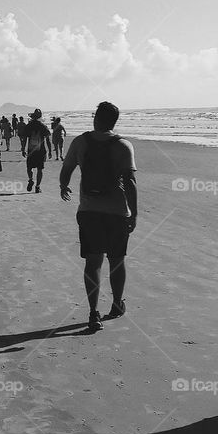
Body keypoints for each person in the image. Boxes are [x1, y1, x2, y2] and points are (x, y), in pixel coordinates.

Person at [59, 101, 138, 333]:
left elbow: (67, 169)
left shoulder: (81, 142)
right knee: (117, 260)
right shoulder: (124, 145)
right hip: (117, 212)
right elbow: (131, 182)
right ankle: (116, 304)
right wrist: (134, 213)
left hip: (89, 211)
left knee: (93, 262)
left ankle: (93, 313)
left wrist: (64, 186)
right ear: (115, 121)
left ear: (95, 118)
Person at [23, 108, 52, 193]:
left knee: (29, 167)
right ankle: (37, 186)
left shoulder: (28, 126)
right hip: (41, 151)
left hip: (31, 150)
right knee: (40, 169)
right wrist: (50, 150)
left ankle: (30, 179)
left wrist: (23, 148)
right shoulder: (43, 126)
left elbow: (24, 138)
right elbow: (48, 139)